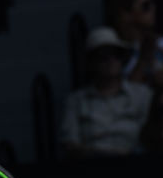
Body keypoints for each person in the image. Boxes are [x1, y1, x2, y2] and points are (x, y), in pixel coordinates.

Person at [59, 26, 153, 159]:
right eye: (103, 55)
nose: (110, 60)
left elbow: (152, 138)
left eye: (116, 54)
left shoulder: (142, 95)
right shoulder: (76, 101)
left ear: (122, 58)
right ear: (91, 62)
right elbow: (69, 145)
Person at [108, 0, 163, 89]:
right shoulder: (118, 48)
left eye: (153, 3)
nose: (153, 8)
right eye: (146, 5)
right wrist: (144, 58)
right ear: (127, 14)